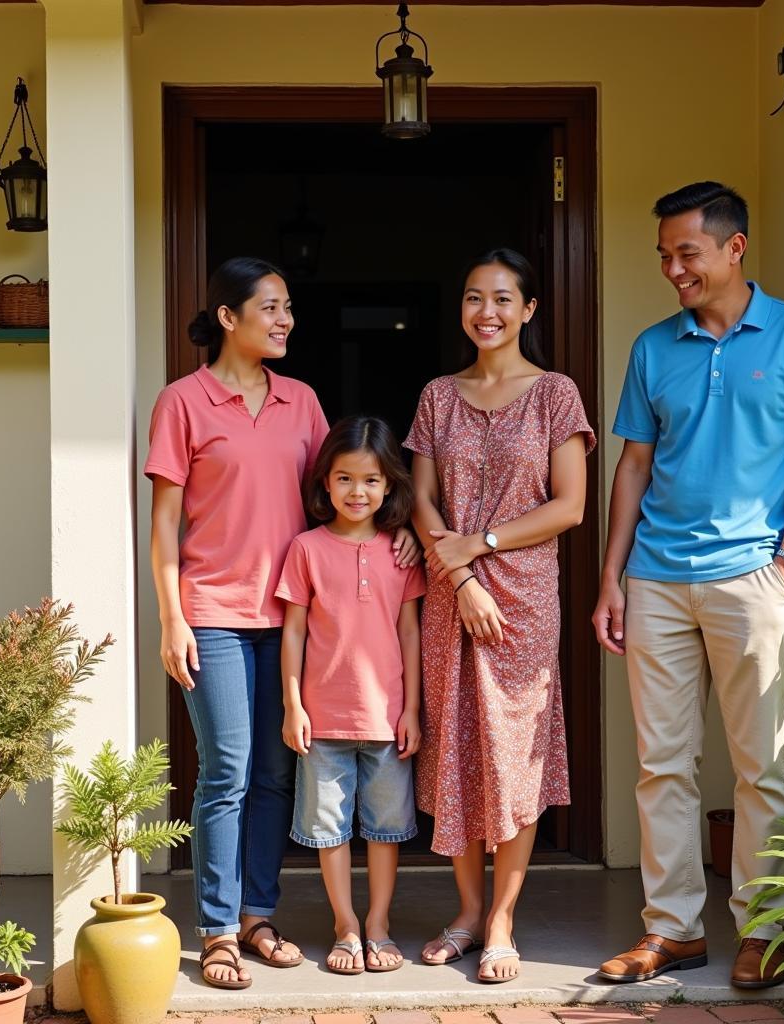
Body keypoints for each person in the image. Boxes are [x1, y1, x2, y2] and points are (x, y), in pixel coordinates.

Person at [145, 257, 418, 990]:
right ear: (227, 317)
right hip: (213, 613)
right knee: (227, 771)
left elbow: (344, 494)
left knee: (274, 773)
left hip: (296, 619)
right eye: (270, 307)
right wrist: (172, 618)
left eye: (289, 307)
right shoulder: (183, 402)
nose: (285, 319)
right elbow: (164, 523)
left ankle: (256, 916)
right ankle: (215, 929)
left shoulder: (302, 402)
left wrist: (397, 531)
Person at [591, 182, 784, 988]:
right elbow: (632, 466)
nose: (672, 269)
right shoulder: (654, 347)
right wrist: (612, 578)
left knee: (760, 764)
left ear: (735, 248)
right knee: (662, 765)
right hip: (657, 579)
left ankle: (764, 929)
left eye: (686, 252)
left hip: (753, 577)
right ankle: (673, 931)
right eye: (664, 254)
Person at [405, 248, 595, 983]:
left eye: (503, 298)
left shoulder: (555, 394)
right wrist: (458, 575)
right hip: (454, 597)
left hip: (523, 599)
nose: (487, 312)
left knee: (514, 758)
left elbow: (569, 505)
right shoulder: (436, 395)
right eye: (473, 297)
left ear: (529, 309)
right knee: (455, 747)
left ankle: (504, 921)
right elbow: (421, 501)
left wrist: (480, 545)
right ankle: (465, 912)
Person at [278, 416, 425, 975]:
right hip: (323, 721)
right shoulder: (306, 549)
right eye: (343, 479)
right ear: (324, 483)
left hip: (387, 719)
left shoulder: (400, 553)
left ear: (389, 486)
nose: (356, 492)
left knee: (385, 830)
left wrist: (412, 707)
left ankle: (379, 925)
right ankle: (345, 926)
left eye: (370, 480)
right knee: (328, 829)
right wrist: (293, 703)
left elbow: (409, 630)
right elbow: (294, 630)